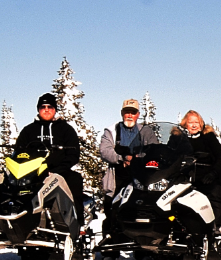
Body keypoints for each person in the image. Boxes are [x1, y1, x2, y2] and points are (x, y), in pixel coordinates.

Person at [13, 93, 84, 226]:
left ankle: (78, 223)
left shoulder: (66, 129)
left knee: (75, 180)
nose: (46, 109)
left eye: (50, 106)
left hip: (59, 171)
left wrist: (58, 169)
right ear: (38, 109)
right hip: (32, 173)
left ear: (55, 109)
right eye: (43, 106)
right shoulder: (28, 130)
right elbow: (18, 152)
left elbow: (73, 154)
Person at [169, 110, 221, 232]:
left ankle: (215, 228)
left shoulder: (208, 137)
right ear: (184, 124)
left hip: (205, 176)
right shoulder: (177, 138)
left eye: (196, 122)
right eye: (190, 122)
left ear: (201, 124)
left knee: (215, 192)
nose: (193, 125)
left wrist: (213, 173)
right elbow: (168, 154)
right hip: (183, 177)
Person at [99, 99, 160, 196]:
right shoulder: (111, 131)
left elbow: (155, 149)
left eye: (133, 112)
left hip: (141, 175)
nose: (130, 116)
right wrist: (122, 158)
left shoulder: (146, 131)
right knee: (113, 205)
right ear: (122, 113)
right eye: (127, 112)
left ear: (138, 115)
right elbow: (105, 151)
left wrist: (137, 159)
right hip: (118, 177)